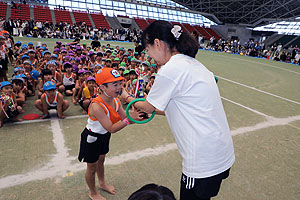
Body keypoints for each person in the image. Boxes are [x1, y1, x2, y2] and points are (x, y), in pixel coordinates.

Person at [121, 20, 235, 200]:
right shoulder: (193, 64)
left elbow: (148, 106)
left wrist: (127, 98)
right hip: (221, 153)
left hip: (202, 160)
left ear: (157, 43)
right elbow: (174, 109)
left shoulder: (171, 68)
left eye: (148, 49)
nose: (149, 55)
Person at [78, 68, 145, 200]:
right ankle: (93, 192)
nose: (120, 87)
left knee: (101, 161)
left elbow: (125, 118)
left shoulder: (115, 100)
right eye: (115, 84)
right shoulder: (96, 106)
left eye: (120, 83)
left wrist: (137, 117)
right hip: (92, 138)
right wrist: (129, 119)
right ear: (102, 87)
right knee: (91, 168)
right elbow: (112, 128)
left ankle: (102, 183)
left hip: (104, 136)